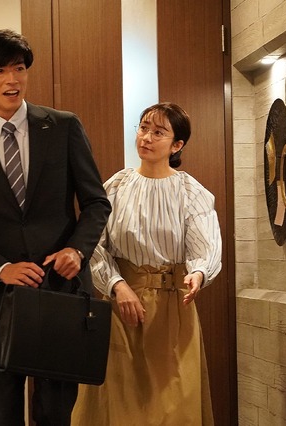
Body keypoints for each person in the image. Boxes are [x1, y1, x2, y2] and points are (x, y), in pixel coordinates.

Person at [0, 29, 111, 426]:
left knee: (56, 413)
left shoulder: (64, 127)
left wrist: (77, 250)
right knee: (3, 414)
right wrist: (1, 269)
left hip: (61, 292)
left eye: (19, 69)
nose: (12, 80)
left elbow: (96, 202)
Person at [71, 102, 222, 426]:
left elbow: (206, 246)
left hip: (173, 309)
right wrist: (117, 286)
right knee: (120, 405)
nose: (146, 137)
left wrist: (198, 273)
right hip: (122, 309)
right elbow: (94, 245)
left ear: (177, 145)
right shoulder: (116, 186)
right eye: (143, 128)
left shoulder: (191, 192)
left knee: (174, 407)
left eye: (158, 132)